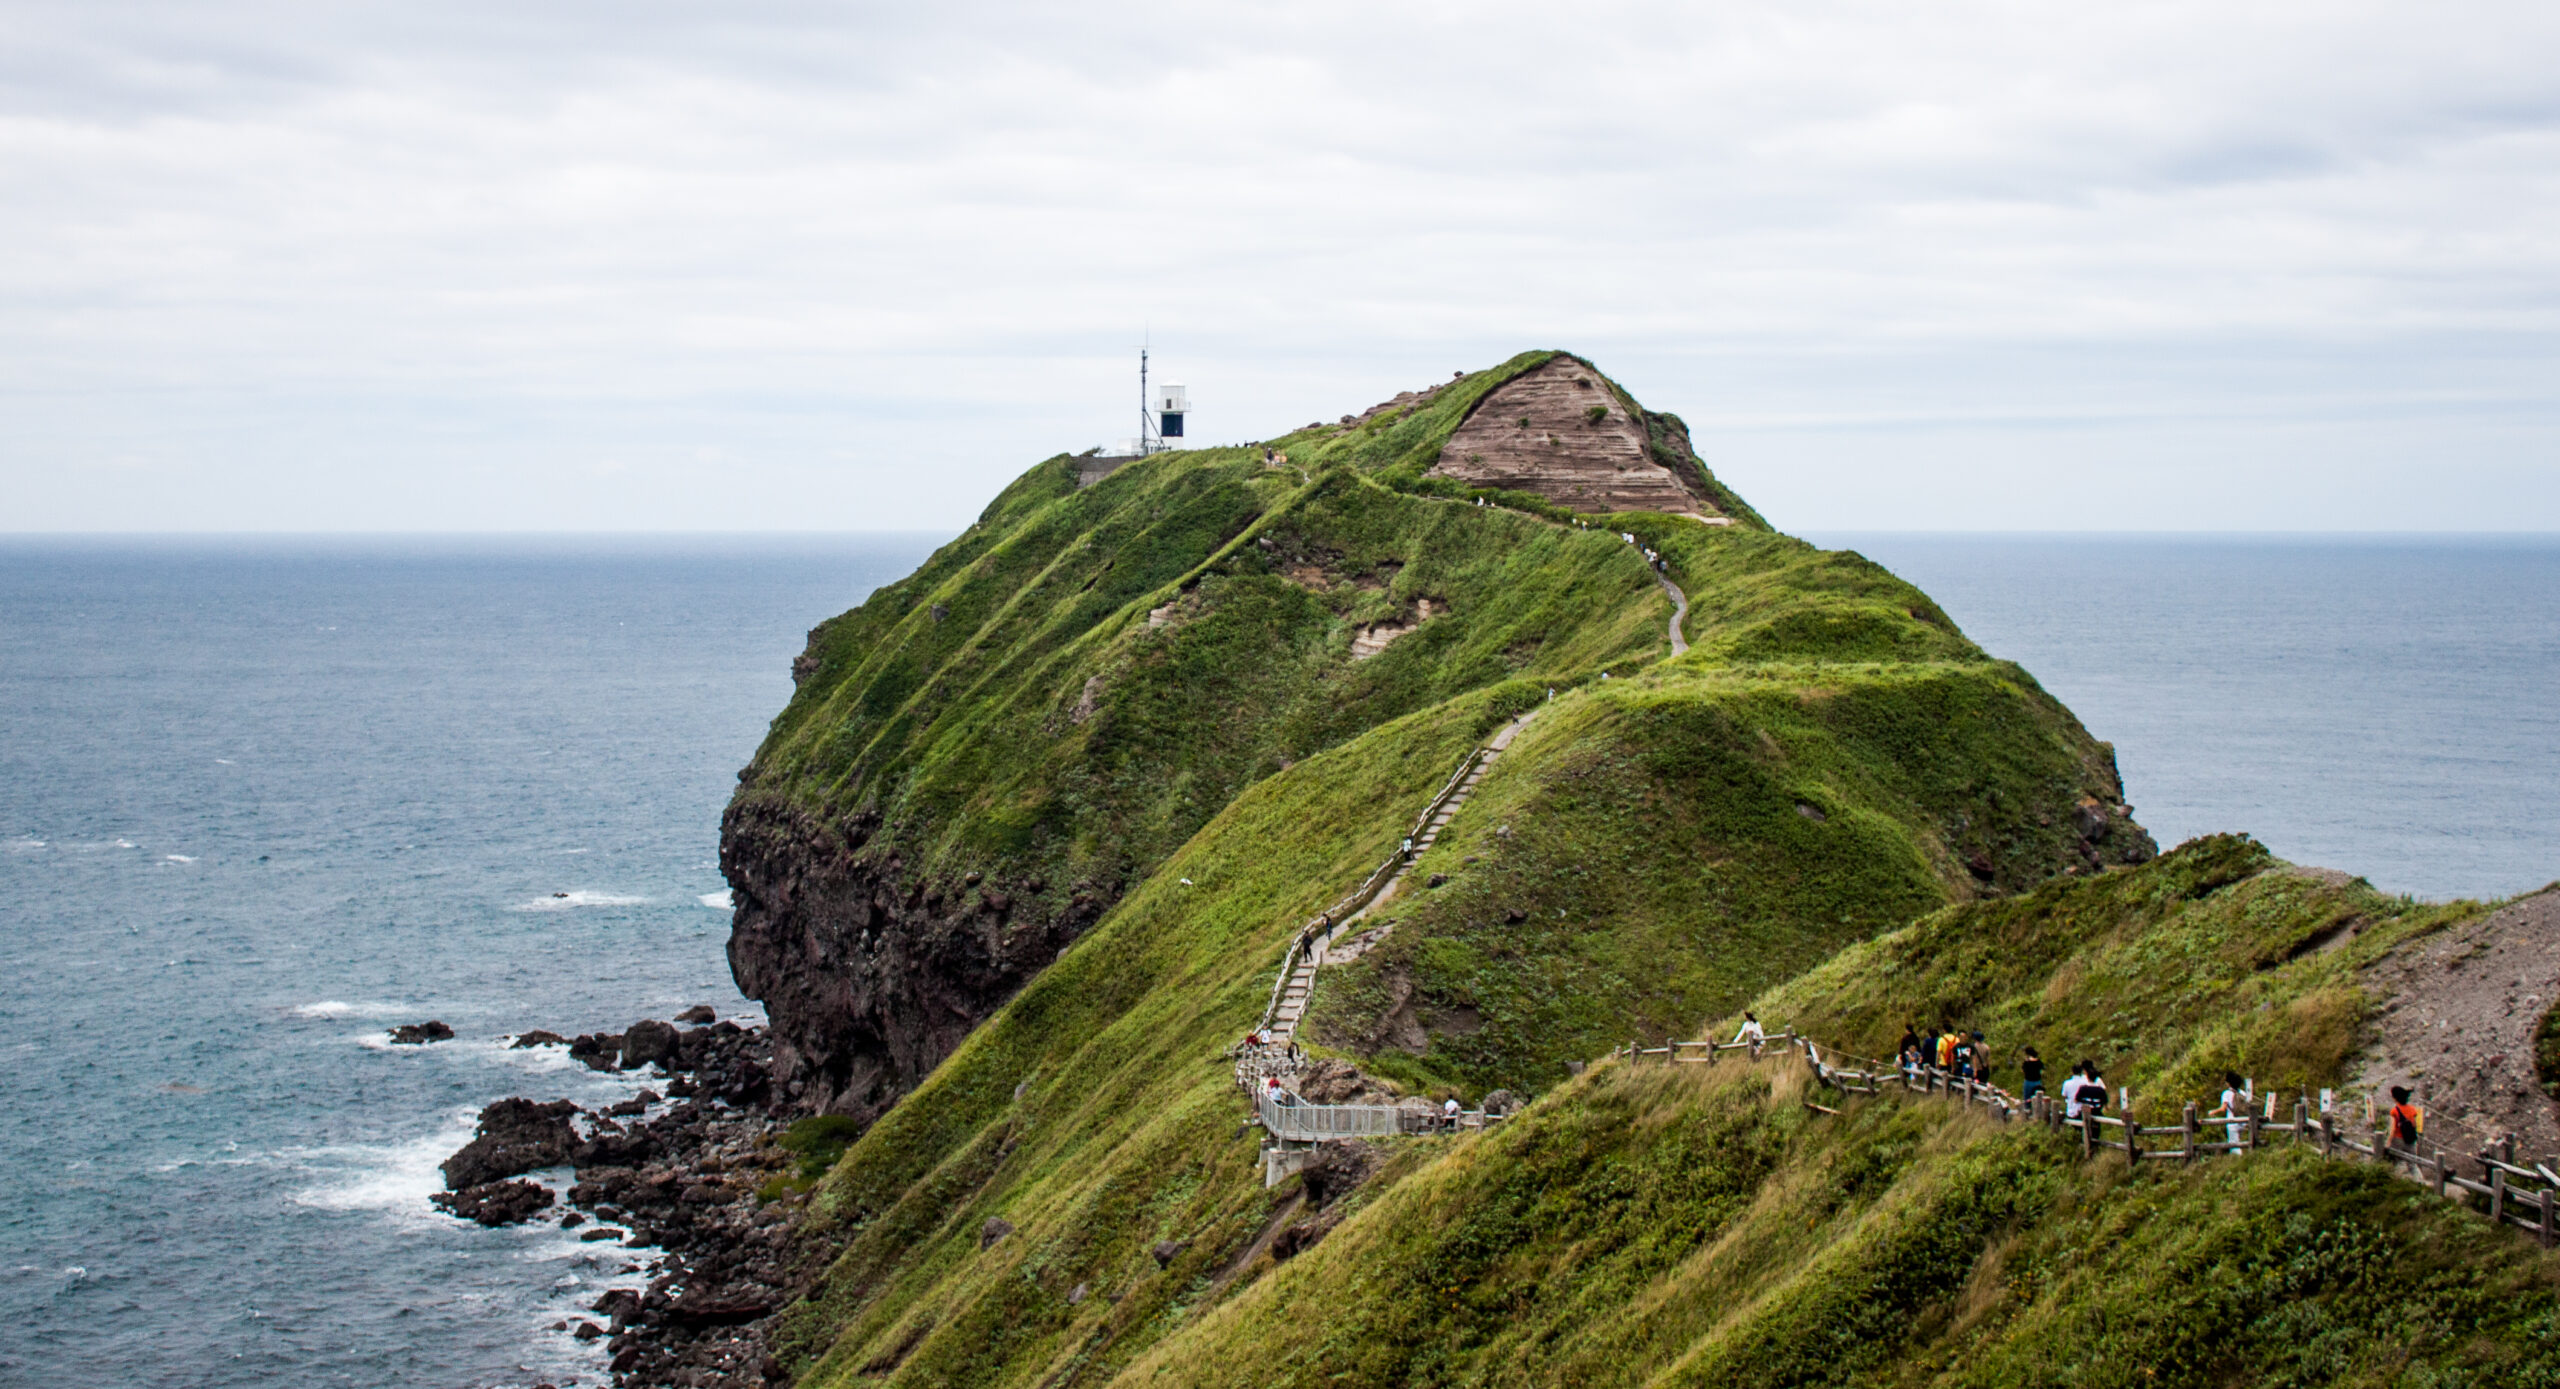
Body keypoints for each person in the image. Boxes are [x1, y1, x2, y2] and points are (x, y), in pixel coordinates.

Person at [2215, 1071, 2251, 1152]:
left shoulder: (2226, 1093)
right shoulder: (2243, 1093)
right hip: (2243, 1121)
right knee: (2244, 1142)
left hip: (2232, 1122)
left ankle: (2237, 1160)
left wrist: (2213, 1112)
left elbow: (2223, 1108)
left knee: (2234, 1145)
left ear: (2229, 1083)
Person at [2387, 1086, 2424, 1153]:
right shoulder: (2412, 1109)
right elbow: (2414, 1125)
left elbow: (2393, 1129)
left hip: (2398, 1139)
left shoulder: (2394, 1111)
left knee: (2392, 1160)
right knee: (2412, 1161)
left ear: (2395, 1098)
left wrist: (2388, 1142)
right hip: (2410, 1139)